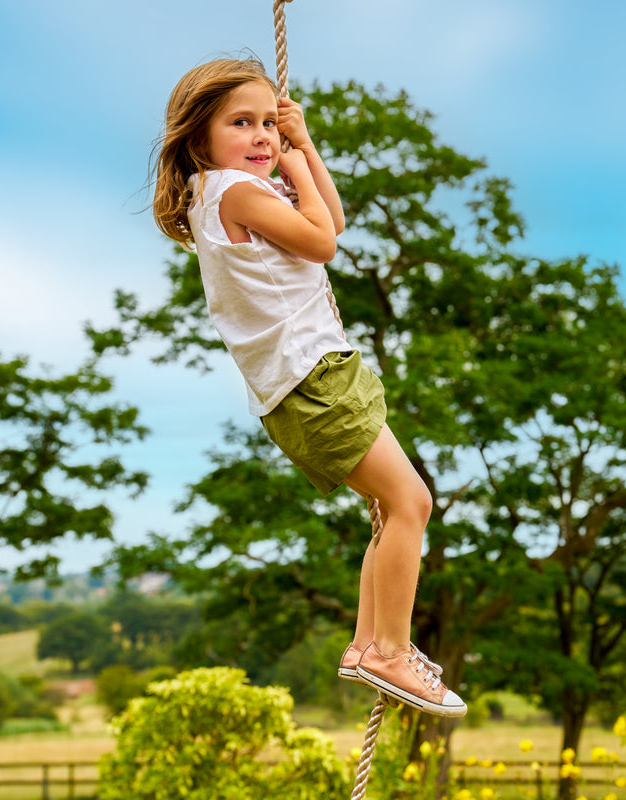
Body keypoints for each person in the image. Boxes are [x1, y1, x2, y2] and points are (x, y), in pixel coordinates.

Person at [151, 56, 466, 718]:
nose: (263, 135)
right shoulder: (234, 191)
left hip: (303, 383)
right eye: (243, 122)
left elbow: (333, 223)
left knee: (390, 508)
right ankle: (391, 650)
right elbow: (325, 244)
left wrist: (304, 147)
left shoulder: (221, 193)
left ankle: (365, 646)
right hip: (314, 377)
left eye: (270, 121)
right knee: (412, 502)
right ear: (198, 135)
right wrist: (293, 165)